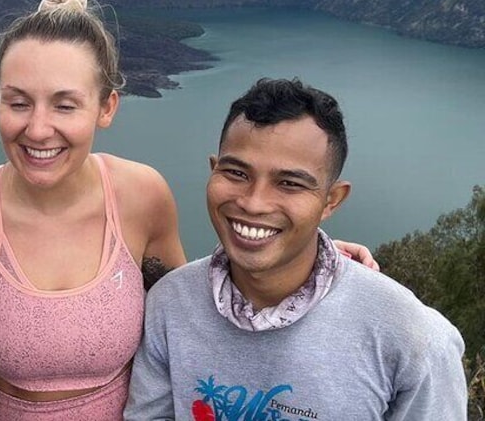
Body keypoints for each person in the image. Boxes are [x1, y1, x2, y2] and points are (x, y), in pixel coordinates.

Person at [0, 0, 378, 420]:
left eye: (65, 106)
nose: (39, 128)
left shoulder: (140, 196)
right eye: (18, 102)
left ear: (106, 108)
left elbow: (196, 303)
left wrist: (310, 258)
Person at [124, 78, 467, 420]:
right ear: (214, 170)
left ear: (332, 200)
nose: (254, 203)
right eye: (236, 173)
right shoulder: (170, 304)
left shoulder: (412, 338)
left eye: (289, 183)